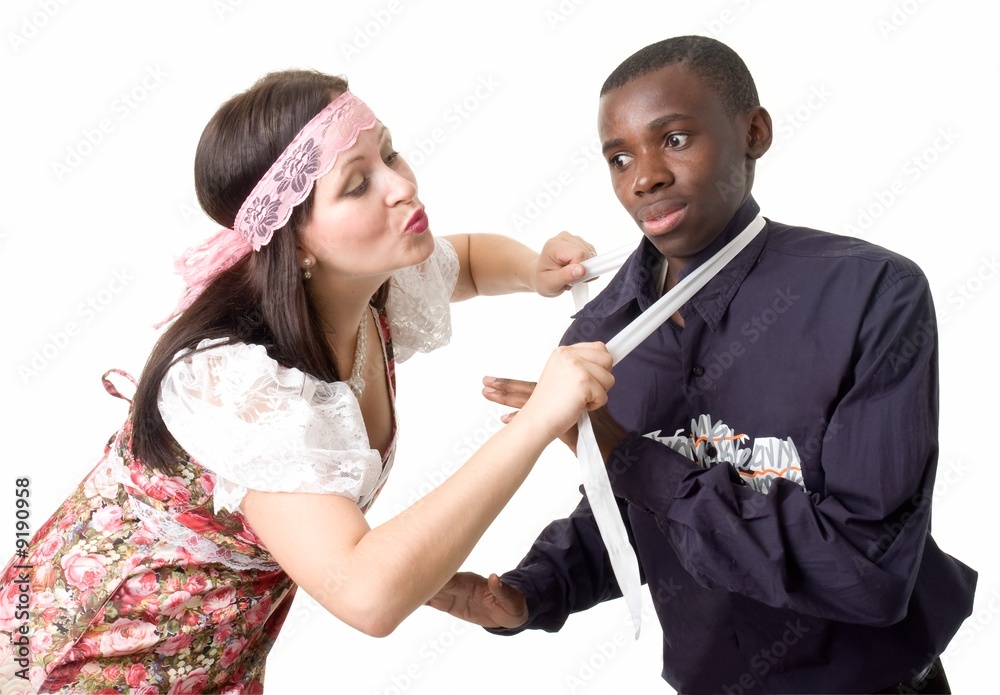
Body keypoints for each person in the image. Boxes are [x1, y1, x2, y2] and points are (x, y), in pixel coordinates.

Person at [0, 69, 616, 693]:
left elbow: (471, 263)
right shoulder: (237, 383)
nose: (402, 186)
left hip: (212, 652)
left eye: (390, 153)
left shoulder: (367, 282)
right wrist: (538, 421)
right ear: (295, 244)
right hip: (91, 655)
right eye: (357, 184)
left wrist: (534, 270)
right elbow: (368, 595)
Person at [428, 36, 978, 694]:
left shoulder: (871, 294)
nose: (645, 177)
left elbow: (867, 573)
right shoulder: (600, 335)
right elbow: (634, 513)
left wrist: (629, 455)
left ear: (754, 132)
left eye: (675, 139)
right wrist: (531, 592)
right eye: (620, 158)